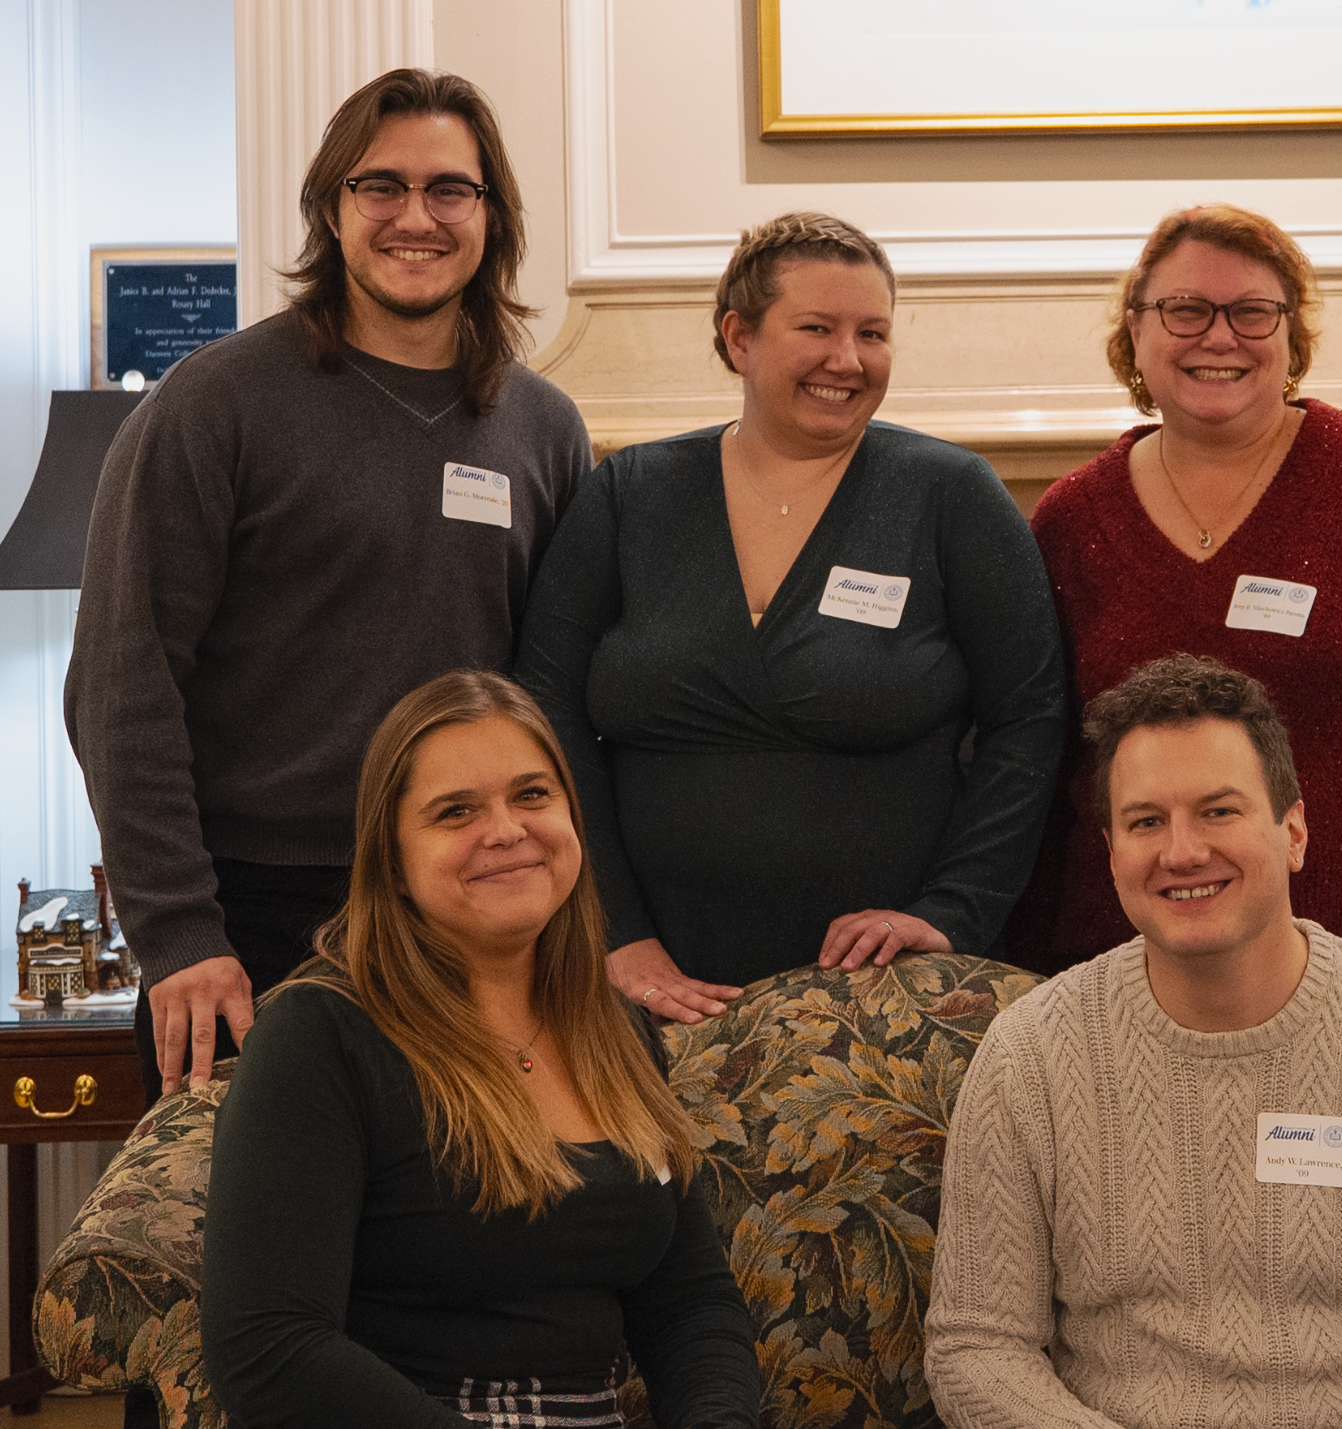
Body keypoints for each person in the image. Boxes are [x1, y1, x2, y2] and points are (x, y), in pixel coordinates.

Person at [65, 68, 592, 1105]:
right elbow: (123, 685)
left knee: (461, 1245)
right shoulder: (213, 405)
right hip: (253, 925)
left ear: (490, 217)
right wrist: (178, 934)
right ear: (330, 209)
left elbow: (554, 693)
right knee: (254, 1253)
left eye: (449, 190)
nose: (415, 217)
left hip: (468, 909)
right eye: (379, 187)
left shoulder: (541, 427)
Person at [924, 654, 1342, 1429]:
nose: (1183, 851)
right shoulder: (1028, 1054)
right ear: (1110, 851)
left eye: (1219, 811)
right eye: (1146, 821)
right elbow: (975, 1346)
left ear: (1293, 830)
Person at [516, 211, 1064, 1019]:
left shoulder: (951, 497)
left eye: (872, 334)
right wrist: (611, 931)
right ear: (740, 337)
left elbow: (1033, 717)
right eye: (817, 328)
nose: (848, 360)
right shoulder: (630, 495)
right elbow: (544, 712)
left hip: (880, 987)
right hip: (639, 977)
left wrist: (952, 911)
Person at [200, 670, 761, 1429]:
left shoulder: (618, 1030)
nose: (505, 829)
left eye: (532, 794)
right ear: (392, 861)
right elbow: (266, 1348)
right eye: (454, 811)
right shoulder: (318, 1035)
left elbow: (691, 1303)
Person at [1015, 204, 1342, 1000]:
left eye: (1252, 312)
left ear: (1290, 335)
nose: (1219, 337)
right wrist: (1029, 967)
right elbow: (1037, 760)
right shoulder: (1073, 519)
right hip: (1121, 980)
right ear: (1136, 329)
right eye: (1185, 309)